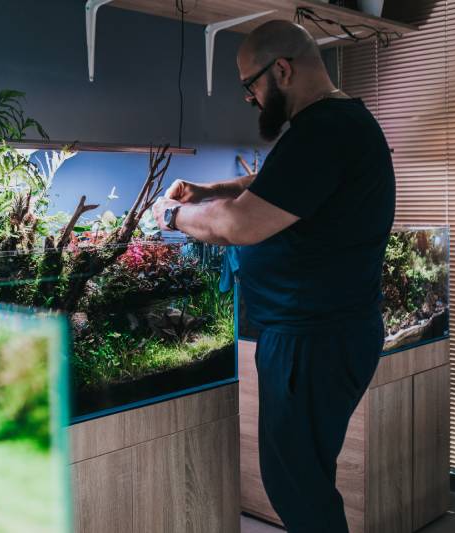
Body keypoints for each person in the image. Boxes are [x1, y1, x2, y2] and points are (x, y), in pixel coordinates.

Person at [152, 19, 395, 533]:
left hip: (312, 341)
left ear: (281, 69)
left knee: (296, 487)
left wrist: (174, 217)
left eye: (251, 86)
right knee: (308, 476)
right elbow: (274, 182)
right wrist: (209, 190)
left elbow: (238, 226)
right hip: (329, 333)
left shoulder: (324, 130)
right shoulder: (340, 121)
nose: (251, 100)